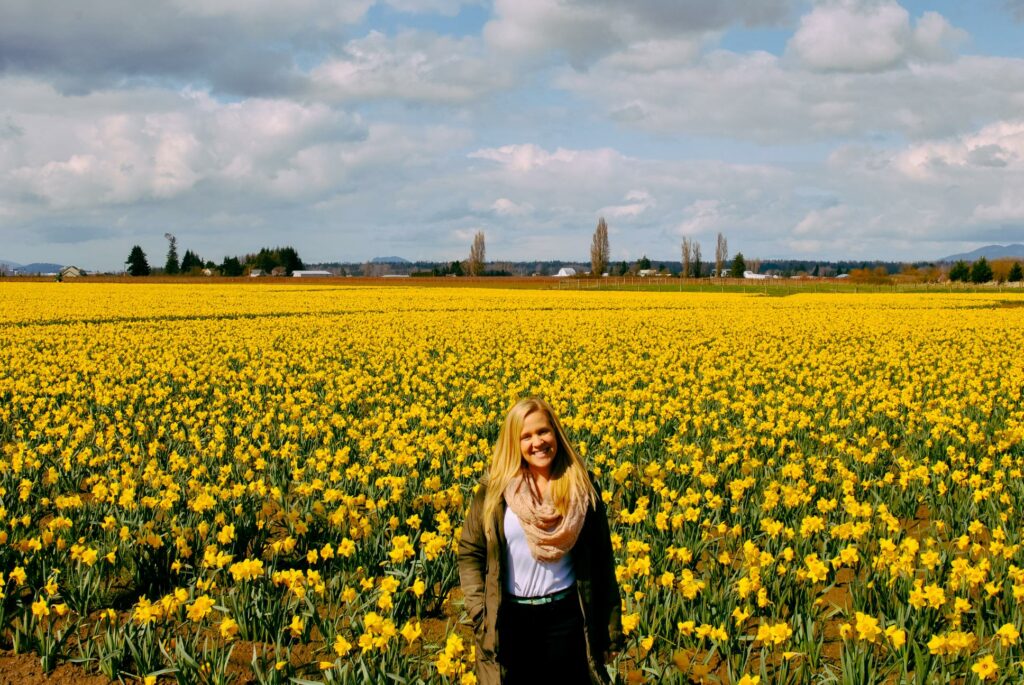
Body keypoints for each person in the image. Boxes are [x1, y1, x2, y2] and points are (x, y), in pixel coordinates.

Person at [458, 397, 622, 685]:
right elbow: (470, 552)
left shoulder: (581, 486)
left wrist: (610, 630)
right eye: (526, 436)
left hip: (569, 618)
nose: (538, 442)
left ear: (556, 433)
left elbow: (602, 561)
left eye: (543, 431)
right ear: (514, 442)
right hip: (512, 620)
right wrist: (479, 611)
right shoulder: (495, 490)